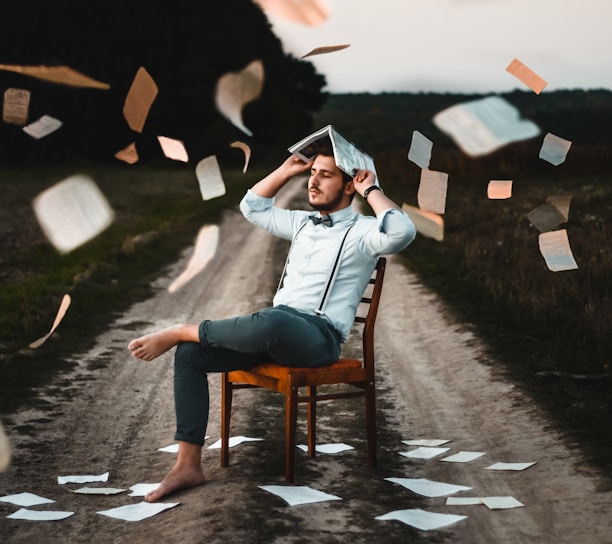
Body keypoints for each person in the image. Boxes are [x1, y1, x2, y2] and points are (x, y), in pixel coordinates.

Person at [128, 142, 416, 502]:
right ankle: (188, 466)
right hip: (276, 331)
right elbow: (251, 207)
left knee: (270, 322)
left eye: (325, 175)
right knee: (191, 355)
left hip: (317, 338)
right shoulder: (301, 222)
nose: (313, 182)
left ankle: (183, 330)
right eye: (312, 173)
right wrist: (286, 170)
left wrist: (371, 189)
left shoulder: (363, 231)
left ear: (349, 185)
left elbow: (402, 233)